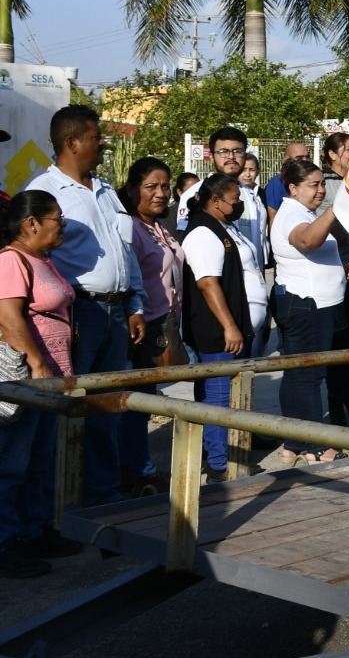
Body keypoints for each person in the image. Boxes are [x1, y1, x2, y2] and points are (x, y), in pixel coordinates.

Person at [24, 105, 146, 508]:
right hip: (77, 316)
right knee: (65, 408)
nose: (103, 143)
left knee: (106, 408)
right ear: (72, 142)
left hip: (116, 313)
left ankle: (101, 497)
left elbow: (126, 253)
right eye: (96, 137)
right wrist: (63, 314)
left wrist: (135, 304)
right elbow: (35, 262)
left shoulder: (108, 190)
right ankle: (58, 503)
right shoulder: (44, 193)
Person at [0, 191, 83, 578]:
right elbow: (10, 318)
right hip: (26, 380)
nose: (62, 226)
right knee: (12, 464)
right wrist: (36, 363)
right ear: (31, 223)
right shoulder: (10, 260)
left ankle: (33, 531)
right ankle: (7, 542)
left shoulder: (42, 259)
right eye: (57, 220)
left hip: (50, 381)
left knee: (38, 461)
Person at [181, 174, 267, 483]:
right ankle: (219, 464)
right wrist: (229, 326)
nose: (239, 205)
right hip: (216, 329)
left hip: (234, 326)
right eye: (234, 200)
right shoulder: (203, 232)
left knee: (228, 395)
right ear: (215, 201)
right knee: (218, 396)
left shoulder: (222, 226)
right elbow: (206, 283)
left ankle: (228, 453)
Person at [268, 157, 345, 464]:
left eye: (323, 184)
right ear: (293, 188)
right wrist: (335, 210)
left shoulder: (304, 212)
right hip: (306, 305)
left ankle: (294, 441)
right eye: (313, 185)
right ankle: (314, 446)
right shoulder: (291, 215)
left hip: (314, 304)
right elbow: (308, 241)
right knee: (309, 376)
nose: (320, 191)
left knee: (297, 374)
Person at [120, 157, 186, 494]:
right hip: (142, 326)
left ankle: (135, 467)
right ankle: (138, 472)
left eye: (164, 186)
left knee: (146, 401)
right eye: (151, 187)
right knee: (137, 403)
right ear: (133, 189)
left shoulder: (157, 226)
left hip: (164, 323)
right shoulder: (130, 227)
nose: (160, 193)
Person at [314, 133, 349, 425]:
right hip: (336, 267)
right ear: (332, 154)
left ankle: (347, 393)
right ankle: (335, 402)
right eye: (348, 149)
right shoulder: (327, 184)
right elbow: (324, 224)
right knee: (336, 340)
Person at [262, 141, 311, 228]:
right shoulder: (277, 182)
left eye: (307, 157)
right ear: (286, 158)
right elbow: (272, 215)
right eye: (299, 158)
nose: (305, 160)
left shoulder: (310, 180)